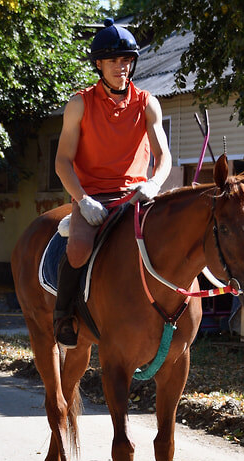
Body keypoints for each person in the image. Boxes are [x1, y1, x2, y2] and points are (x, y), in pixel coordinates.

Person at [52, 18, 172, 348]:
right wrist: (82, 199)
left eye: (126, 60)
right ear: (99, 64)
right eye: (113, 61)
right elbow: (62, 162)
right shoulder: (79, 104)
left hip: (136, 194)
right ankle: (63, 314)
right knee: (77, 250)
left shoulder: (148, 103)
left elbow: (164, 157)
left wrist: (154, 184)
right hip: (92, 197)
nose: (121, 67)